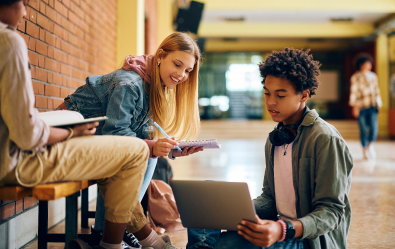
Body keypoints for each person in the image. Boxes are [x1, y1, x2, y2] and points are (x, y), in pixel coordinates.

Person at [0, 0, 149, 249]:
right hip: (11, 162)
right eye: (23, 3)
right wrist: (71, 132)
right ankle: (112, 245)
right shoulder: (7, 42)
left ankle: (136, 237)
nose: (25, 13)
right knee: (136, 151)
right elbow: (26, 134)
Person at [186, 48, 353, 249]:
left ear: (304, 95)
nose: (271, 102)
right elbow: (271, 199)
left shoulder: (325, 139)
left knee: (222, 246)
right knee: (208, 201)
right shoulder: (276, 137)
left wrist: (282, 229)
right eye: (267, 93)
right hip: (279, 228)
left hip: (309, 240)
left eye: (280, 95)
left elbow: (331, 213)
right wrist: (236, 210)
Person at [58, 32, 204, 249]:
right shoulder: (130, 84)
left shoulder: (154, 83)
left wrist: (171, 149)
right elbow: (116, 135)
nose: (182, 74)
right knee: (131, 160)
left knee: (146, 157)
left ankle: (108, 233)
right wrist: (154, 147)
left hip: (94, 145)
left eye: (188, 70)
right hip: (63, 144)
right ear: (161, 55)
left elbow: (141, 133)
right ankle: (126, 235)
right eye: (178, 64)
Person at [349, 53, 382, 160]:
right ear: (361, 64)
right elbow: (353, 92)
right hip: (361, 107)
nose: (368, 65)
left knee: (373, 128)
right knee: (363, 129)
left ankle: (370, 145)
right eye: (366, 63)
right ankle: (364, 149)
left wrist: (379, 104)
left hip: (372, 107)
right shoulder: (355, 77)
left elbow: (377, 91)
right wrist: (354, 106)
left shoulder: (373, 76)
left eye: (369, 63)